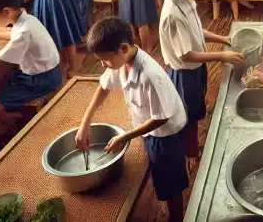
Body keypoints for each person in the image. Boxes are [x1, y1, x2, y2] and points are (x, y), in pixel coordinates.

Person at [76, 17, 189, 222]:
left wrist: (125, 137)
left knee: (171, 182)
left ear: (124, 48)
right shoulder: (119, 62)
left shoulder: (150, 76)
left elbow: (161, 118)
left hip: (166, 133)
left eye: (106, 60)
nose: (103, 65)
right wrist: (86, 123)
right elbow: (103, 87)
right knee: (160, 172)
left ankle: (177, 218)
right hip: (148, 126)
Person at [160, 0, 244, 156]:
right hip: (184, 74)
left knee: (196, 111)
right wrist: (221, 56)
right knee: (186, 117)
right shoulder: (173, 13)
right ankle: (190, 154)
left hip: (195, 70)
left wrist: (222, 39)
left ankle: (192, 146)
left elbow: (196, 30)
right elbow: (186, 55)